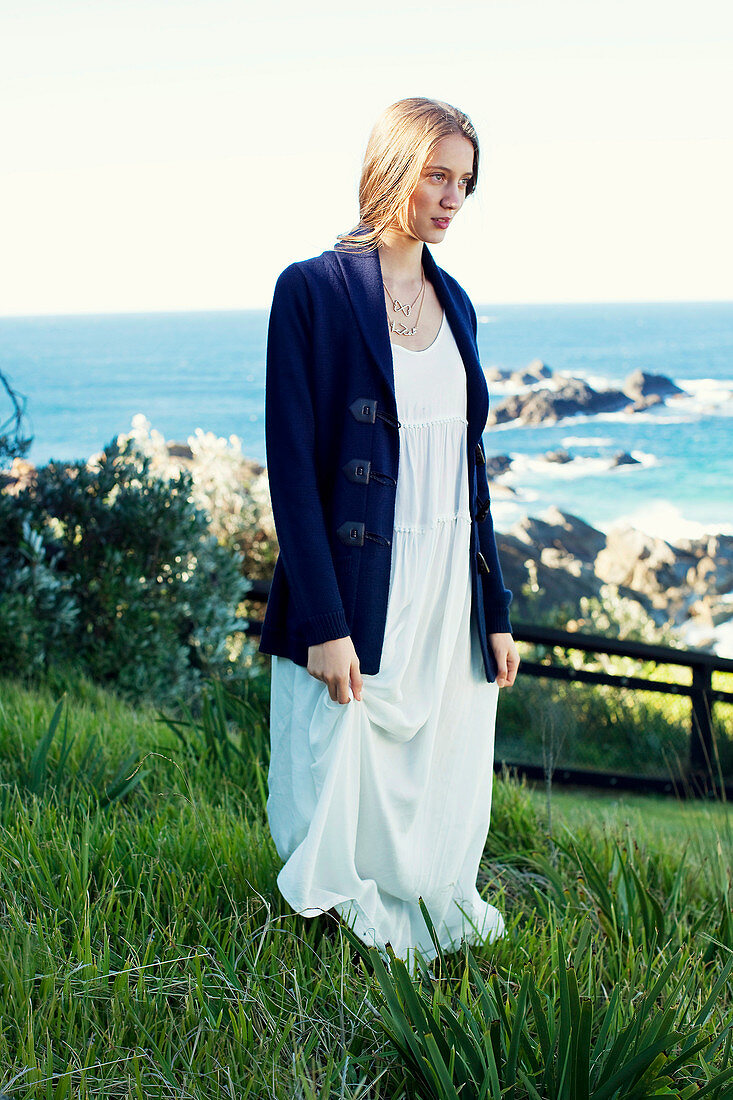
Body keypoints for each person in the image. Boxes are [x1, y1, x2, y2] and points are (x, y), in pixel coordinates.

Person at [259, 97, 520, 968]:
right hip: (362, 579)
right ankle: (340, 927)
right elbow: (292, 469)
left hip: (448, 575)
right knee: (342, 756)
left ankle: (426, 901)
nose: (452, 198)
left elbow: (468, 469)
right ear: (393, 167)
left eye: (465, 183)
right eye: (438, 175)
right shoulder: (312, 290)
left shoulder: (459, 305)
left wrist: (496, 607)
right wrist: (325, 624)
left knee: (442, 758)